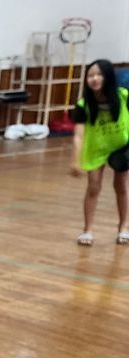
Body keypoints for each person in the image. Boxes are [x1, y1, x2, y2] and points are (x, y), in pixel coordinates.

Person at [69, 59, 129, 246]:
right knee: (93, 187)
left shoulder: (123, 96)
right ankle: (87, 231)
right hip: (96, 148)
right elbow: (78, 136)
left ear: (108, 77)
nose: (94, 79)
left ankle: (124, 227)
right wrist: (75, 160)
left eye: (99, 75)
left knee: (121, 187)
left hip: (120, 146)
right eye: (90, 75)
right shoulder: (83, 104)